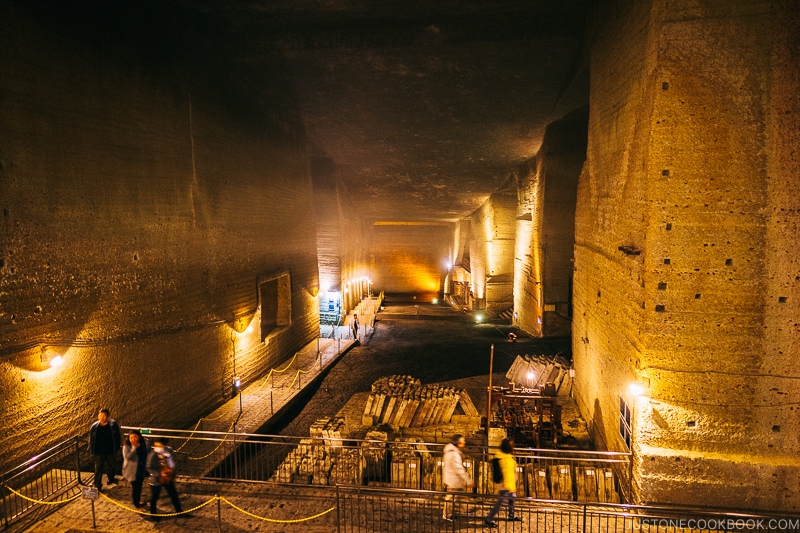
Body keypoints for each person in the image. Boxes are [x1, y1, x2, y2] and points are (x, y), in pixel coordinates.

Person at [484, 438, 522, 528]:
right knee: (500, 503)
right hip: (505, 485)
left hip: (510, 484)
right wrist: (509, 485)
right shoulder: (502, 458)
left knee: (512, 500)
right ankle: (488, 519)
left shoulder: (507, 457)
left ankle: (511, 516)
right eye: (512, 445)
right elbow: (505, 472)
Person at [146, 439, 183, 520]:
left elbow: (172, 463)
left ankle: (179, 512)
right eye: (157, 446)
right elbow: (149, 467)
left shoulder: (168, 452)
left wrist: (171, 472)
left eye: (160, 445)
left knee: (173, 495)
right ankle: (154, 515)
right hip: (157, 480)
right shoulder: (152, 455)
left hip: (168, 478)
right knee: (154, 497)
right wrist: (159, 474)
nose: (158, 447)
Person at [89, 408, 122, 491]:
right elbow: (91, 438)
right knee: (98, 468)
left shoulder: (113, 425)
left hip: (110, 450)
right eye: (101, 415)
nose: (102, 417)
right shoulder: (94, 426)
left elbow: (118, 436)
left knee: (112, 466)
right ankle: (97, 485)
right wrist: (91, 449)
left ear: (108, 416)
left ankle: (110, 479)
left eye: (104, 415)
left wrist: (117, 447)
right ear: (98, 416)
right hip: (99, 451)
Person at [442, 433, 473, 521]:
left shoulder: (450, 451)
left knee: (459, 495)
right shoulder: (454, 455)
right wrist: (469, 481)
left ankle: (465, 510)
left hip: (452, 478)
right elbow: (459, 469)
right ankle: (447, 515)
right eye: (463, 441)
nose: (465, 442)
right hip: (453, 480)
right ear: (458, 443)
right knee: (451, 498)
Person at [122, 430, 149, 509]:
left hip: (141, 469)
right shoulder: (126, 447)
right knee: (136, 487)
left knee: (139, 486)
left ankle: (138, 500)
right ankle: (136, 503)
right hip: (131, 471)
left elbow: (146, 454)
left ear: (139, 437)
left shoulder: (143, 444)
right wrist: (134, 448)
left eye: (135, 437)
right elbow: (128, 457)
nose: (133, 439)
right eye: (131, 437)